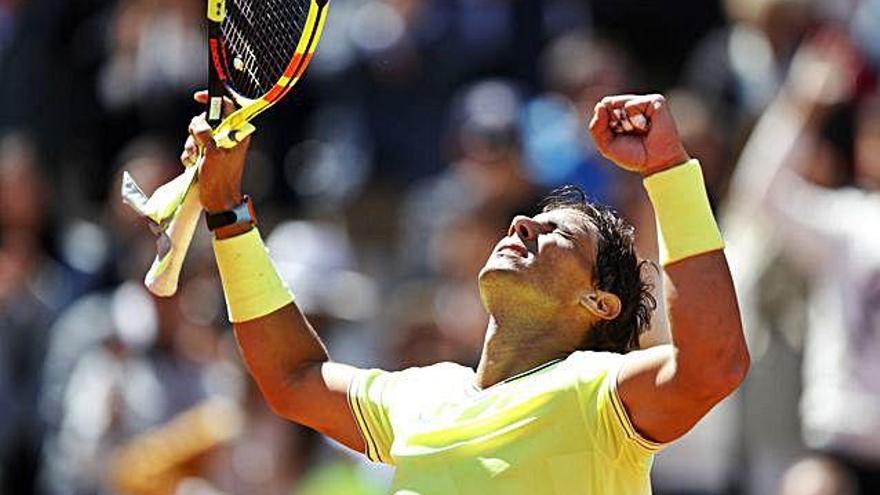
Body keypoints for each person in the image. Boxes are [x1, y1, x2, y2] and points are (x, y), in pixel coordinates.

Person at [183, 92, 750, 493]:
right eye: (527, 220)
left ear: (598, 303)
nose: (522, 225)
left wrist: (671, 171)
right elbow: (292, 381)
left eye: (558, 234)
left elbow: (714, 365)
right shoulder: (422, 394)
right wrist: (228, 212)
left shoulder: (596, 393)